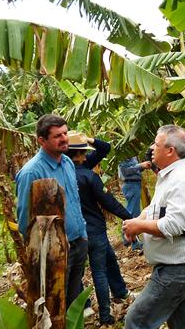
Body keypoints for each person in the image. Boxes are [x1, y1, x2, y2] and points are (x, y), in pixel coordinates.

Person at [122, 125, 185, 329]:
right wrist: (136, 221)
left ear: (170, 150)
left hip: (179, 267)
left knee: (136, 321)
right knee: (183, 323)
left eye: (156, 144)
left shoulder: (182, 180)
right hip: (181, 263)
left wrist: (140, 226)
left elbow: (175, 224)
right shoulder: (169, 175)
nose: (152, 148)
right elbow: (157, 208)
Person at [15, 114, 88, 309]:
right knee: (54, 306)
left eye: (65, 133)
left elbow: (75, 200)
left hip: (78, 242)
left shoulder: (67, 162)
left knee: (73, 302)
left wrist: (83, 234)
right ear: (42, 140)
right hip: (53, 252)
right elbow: (25, 219)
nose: (64, 138)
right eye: (57, 136)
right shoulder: (32, 172)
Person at [68, 131, 133, 326]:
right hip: (94, 230)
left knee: (78, 271)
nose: (87, 155)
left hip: (73, 232)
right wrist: (130, 218)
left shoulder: (62, 173)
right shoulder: (89, 175)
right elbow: (108, 202)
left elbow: (104, 148)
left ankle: (89, 305)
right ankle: (105, 316)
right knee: (99, 272)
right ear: (78, 155)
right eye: (83, 152)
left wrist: (85, 140)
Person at [119, 152, 149, 251]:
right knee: (132, 213)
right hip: (131, 185)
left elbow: (134, 169)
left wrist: (142, 166)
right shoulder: (124, 152)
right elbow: (125, 171)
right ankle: (131, 241)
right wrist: (140, 165)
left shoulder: (132, 153)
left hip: (135, 184)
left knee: (134, 212)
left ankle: (131, 240)